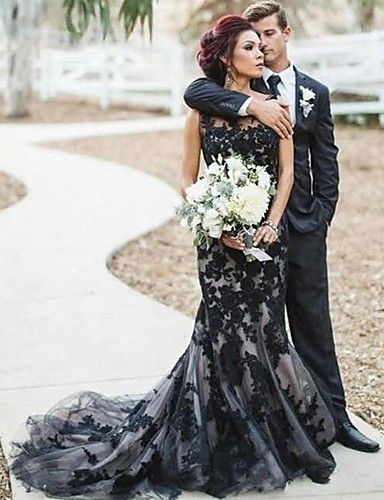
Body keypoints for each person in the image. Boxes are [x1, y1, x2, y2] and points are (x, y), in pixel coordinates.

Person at [10, 15, 337, 500]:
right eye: (249, 46)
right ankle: (220, 435)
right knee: (220, 335)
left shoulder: (278, 107)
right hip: (217, 247)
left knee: (266, 333)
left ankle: (273, 434)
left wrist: (269, 223)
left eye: (261, 45)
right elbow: (187, 176)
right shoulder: (202, 111)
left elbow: (287, 174)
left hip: (267, 239)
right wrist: (215, 220)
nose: (260, 53)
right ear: (228, 57)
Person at [183, 0, 380, 454]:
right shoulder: (224, 91)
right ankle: (264, 423)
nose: (263, 45)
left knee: (313, 321)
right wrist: (253, 102)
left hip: (301, 224)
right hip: (249, 229)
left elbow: (326, 159)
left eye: (269, 35)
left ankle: (335, 418)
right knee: (257, 327)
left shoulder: (313, 91)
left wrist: (322, 215)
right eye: (253, 39)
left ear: (286, 34)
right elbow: (196, 95)